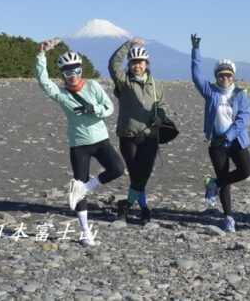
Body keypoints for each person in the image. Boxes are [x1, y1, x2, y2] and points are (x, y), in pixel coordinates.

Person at [36, 39, 124, 247]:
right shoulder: (61, 94)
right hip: (78, 145)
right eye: (67, 72)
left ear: (81, 70)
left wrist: (95, 110)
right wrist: (41, 54)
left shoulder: (93, 86)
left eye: (75, 70)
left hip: (101, 140)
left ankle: (86, 187)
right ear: (62, 74)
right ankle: (85, 232)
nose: (72, 76)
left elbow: (109, 108)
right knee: (78, 184)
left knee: (117, 169)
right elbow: (42, 80)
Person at [190, 34, 250, 233]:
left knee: (246, 170)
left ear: (234, 76)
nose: (225, 78)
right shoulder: (210, 92)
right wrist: (196, 51)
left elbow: (244, 118)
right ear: (216, 76)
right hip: (217, 144)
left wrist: (230, 135)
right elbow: (196, 75)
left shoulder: (241, 94)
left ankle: (214, 184)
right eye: (221, 75)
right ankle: (228, 217)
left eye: (228, 75)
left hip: (236, 141)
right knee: (225, 178)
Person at [108, 37, 163, 224]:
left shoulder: (156, 85)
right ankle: (142, 208)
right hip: (128, 136)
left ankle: (128, 205)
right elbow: (113, 64)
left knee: (143, 175)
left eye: (140, 62)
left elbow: (160, 106)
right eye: (133, 63)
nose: (136, 66)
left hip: (150, 137)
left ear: (146, 64)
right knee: (136, 174)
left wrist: (160, 117)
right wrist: (128, 45)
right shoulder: (124, 83)